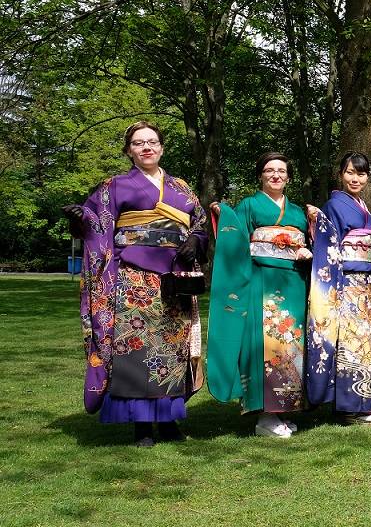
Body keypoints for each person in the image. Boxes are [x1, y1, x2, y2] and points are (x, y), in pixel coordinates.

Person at [64, 120, 208, 447]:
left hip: (175, 281)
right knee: (137, 351)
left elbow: (199, 223)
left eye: (153, 142)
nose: (147, 147)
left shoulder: (182, 188)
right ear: (129, 150)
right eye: (139, 143)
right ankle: (142, 425)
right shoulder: (114, 186)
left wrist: (196, 242)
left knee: (173, 349)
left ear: (162, 147)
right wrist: (81, 220)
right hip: (133, 280)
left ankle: (169, 420)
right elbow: (96, 223)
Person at [208, 152, 313, 438]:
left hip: (293, 280)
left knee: (290, 344)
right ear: (261, 176)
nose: (276, 175)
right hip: (261, 281)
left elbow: (308, 239)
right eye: (269, 170)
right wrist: (224, 214)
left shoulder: (297, 212)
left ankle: (284, 408)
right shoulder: (249, 205)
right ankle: (265, 415)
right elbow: (236, 238)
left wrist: (303, 247)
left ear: (289, 177)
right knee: (264, 344)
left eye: (281, 170)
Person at [306, 152, 371, 425]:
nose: (355, 178)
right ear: (341, 174)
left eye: (361, 174)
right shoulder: (334, 205)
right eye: (350, 172)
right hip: (347, 281)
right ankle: (348, 407)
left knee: (366, 343)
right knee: (351, 342)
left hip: (364, 284)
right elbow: (328, 245)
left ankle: (362, 403)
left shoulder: (361, 206)